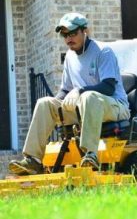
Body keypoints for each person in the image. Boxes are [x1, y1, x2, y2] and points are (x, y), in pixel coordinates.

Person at [9, 12, 130, 175]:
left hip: (114, 106)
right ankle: (33, 160)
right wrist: (57, 106)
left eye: (72, 33)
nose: (68, 39)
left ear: (84, 31)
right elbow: (65, 90)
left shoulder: (103, 51)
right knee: (45, 102)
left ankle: (90, 154)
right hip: (83, 107)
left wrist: (80, 91)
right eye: (64, 35)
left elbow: (108, 87)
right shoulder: (70, 57)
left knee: (89, 97)